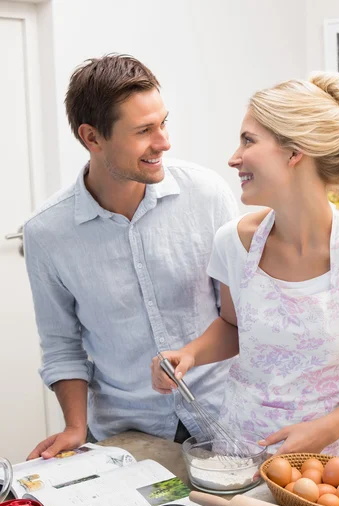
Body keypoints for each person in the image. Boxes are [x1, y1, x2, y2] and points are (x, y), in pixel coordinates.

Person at [151, 72, 339, 463]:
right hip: (235, 456)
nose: (234, 157)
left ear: (294, 153)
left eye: (248, 140)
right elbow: (235, 327)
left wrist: (327, 428)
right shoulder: (234, 242)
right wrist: (192, 353)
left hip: (329, 467)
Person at [24, 54, 239, 459]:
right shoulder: (46, 233)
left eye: (163, 123)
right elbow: (61, 344)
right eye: (144, 130)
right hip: (128, 435)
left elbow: (241, 314)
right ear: (92, 138)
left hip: (226, 416)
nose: (164, 142)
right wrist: (74, 427)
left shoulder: (207, 196)